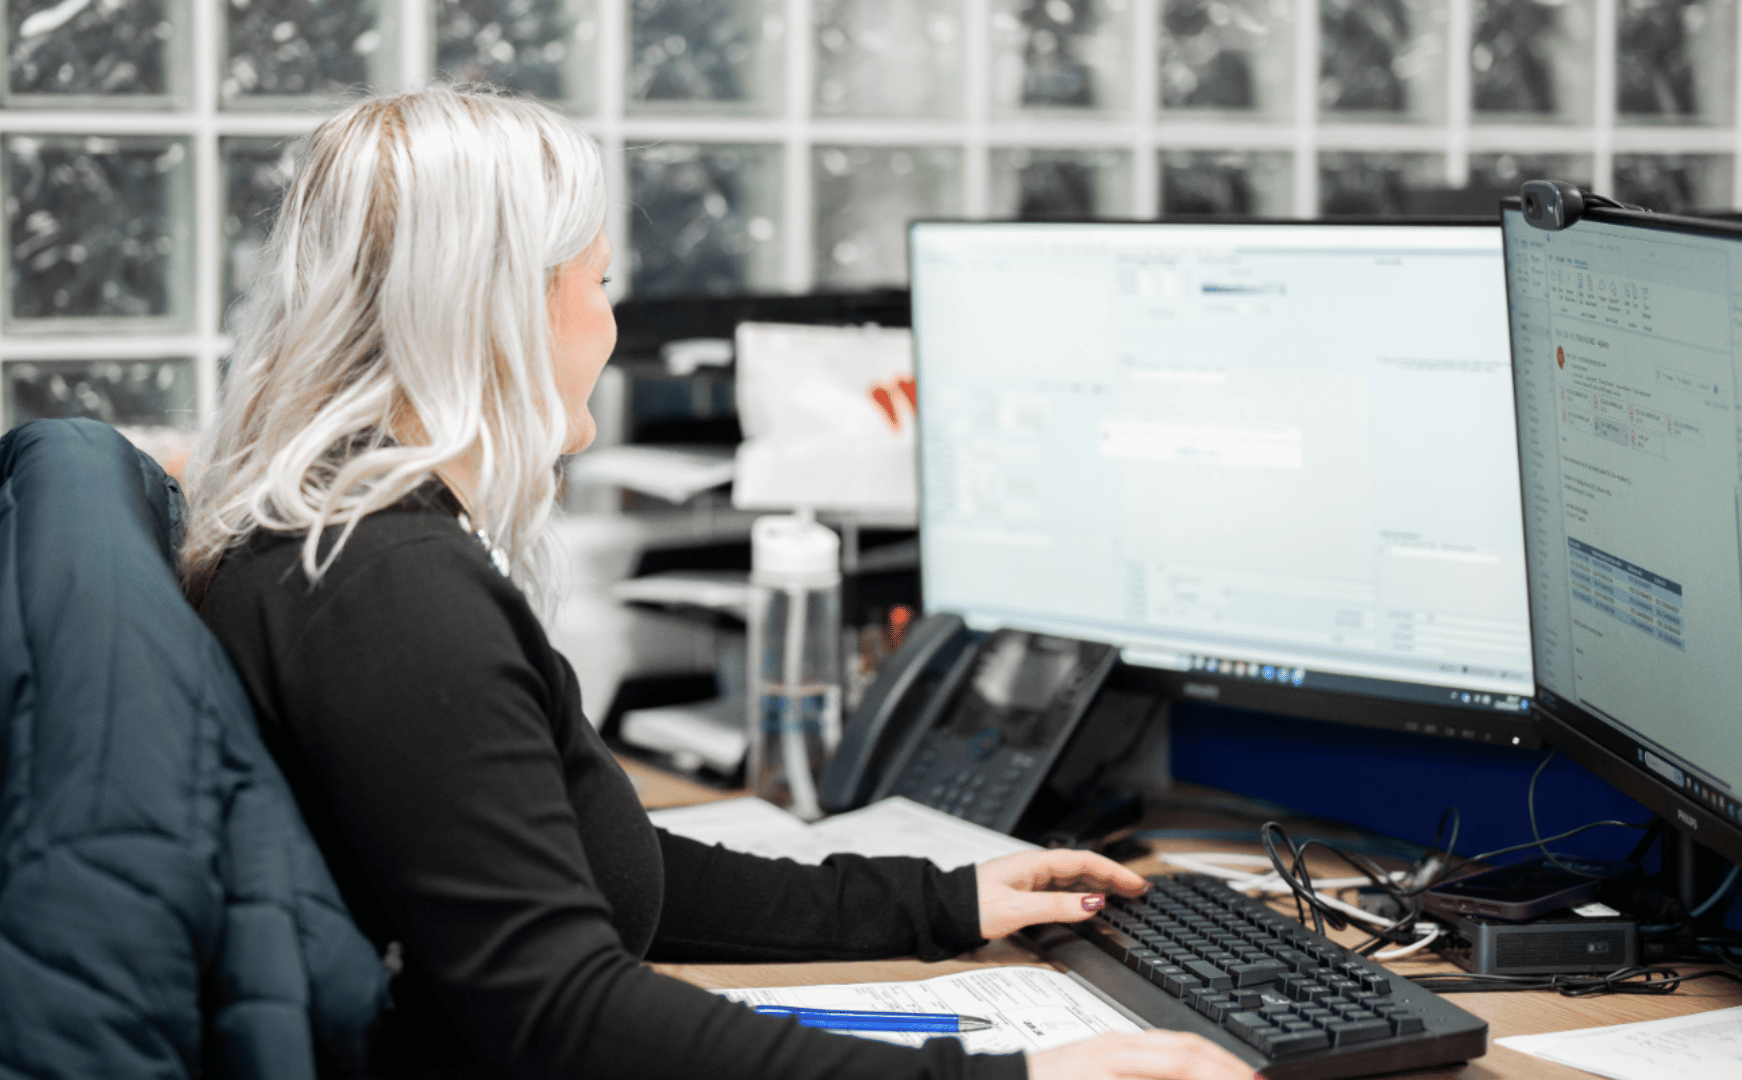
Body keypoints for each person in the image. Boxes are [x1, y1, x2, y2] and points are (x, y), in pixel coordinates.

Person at [179, 85, 1253, 1080]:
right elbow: (564, 1014)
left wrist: (939, 902)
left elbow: (591, 872)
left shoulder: (330, 542)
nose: (606, 324)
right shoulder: (395, 595)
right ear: (508, 307)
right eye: (597, 285)